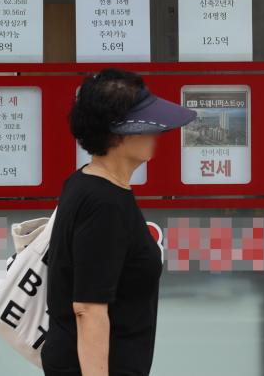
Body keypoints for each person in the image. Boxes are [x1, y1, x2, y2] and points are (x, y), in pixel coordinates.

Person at [40, 68, 197, 376]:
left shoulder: (86, 182)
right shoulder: (104, 203)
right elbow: (89, 308)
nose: (158, 133)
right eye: (149, 125)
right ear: (118, 133)